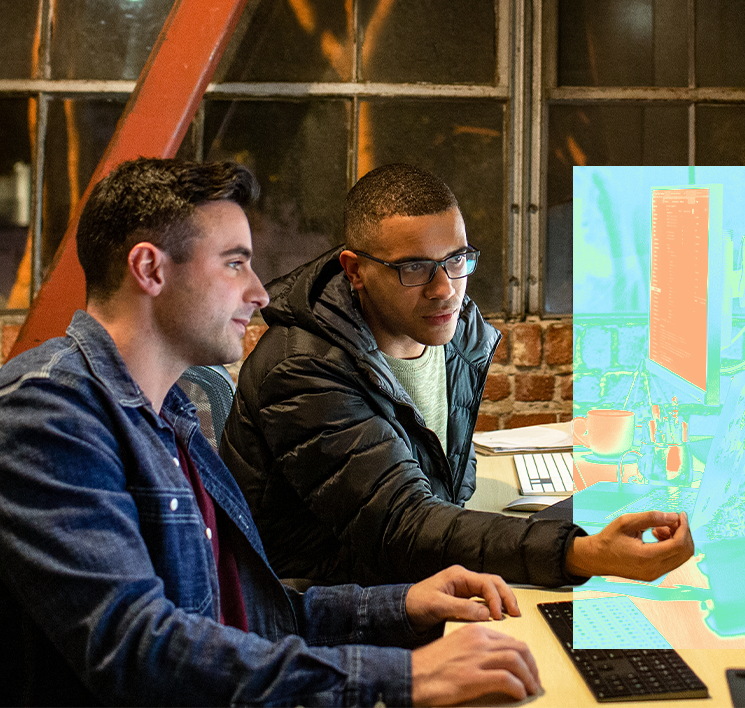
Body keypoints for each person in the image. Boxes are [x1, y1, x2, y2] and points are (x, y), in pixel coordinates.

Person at [0, 158, 541, 708]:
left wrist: (401, 605)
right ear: (150, 269)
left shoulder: (168, 414)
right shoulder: (43, 418)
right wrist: (403, 678)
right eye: (235, 264)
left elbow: (244, 612)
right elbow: (142, 654)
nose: (259, 292)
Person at [221, 163, 695, 588]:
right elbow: (401, 527)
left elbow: (437, 497)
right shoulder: (303, 369)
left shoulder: (452, 331)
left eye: (455, 260)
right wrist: (577, 552)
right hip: (331, 608)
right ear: (356, 270)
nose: (444, 289)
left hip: (409, 569)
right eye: (413, 268)